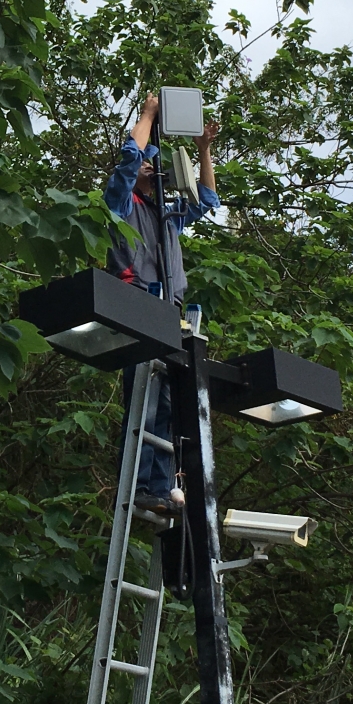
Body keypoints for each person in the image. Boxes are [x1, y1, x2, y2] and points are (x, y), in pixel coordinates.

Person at [104, 92, 221, 517]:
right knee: (145, 400)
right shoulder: (120, 204)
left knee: (170, 403)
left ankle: (160, 486)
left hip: (169, 309)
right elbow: (129, 159)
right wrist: (149, 115)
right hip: (137, 303)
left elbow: (207, 200)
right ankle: (138, 486)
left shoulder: (166, 214)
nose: (152, 169)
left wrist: (204, 150)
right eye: (148, 166)